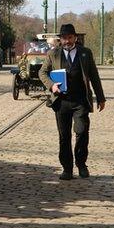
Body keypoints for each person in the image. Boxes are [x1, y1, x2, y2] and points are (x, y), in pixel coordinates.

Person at [39, 23, 106, 180]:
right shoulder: (53, 54)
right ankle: (67, 168)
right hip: (61, 101)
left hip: (80, 100)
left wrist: (101, 98)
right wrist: (51, 85)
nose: (67, 41)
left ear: (75, 37)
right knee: (64, 136)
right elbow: (43, 72)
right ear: (60, 39)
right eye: (64, 38)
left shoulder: (85, 53)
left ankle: (81, 164)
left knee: (82, 132)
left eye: (70, 37)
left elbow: (94, 76)